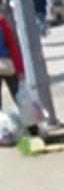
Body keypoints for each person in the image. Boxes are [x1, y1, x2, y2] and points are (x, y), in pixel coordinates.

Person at [0, 12, 25, 146]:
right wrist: (20, 70)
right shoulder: (2, 21)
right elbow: (12, 46)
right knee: (20, 97)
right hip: (8, 64)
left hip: (6, 64)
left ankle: (3, 135)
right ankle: (33, 127)